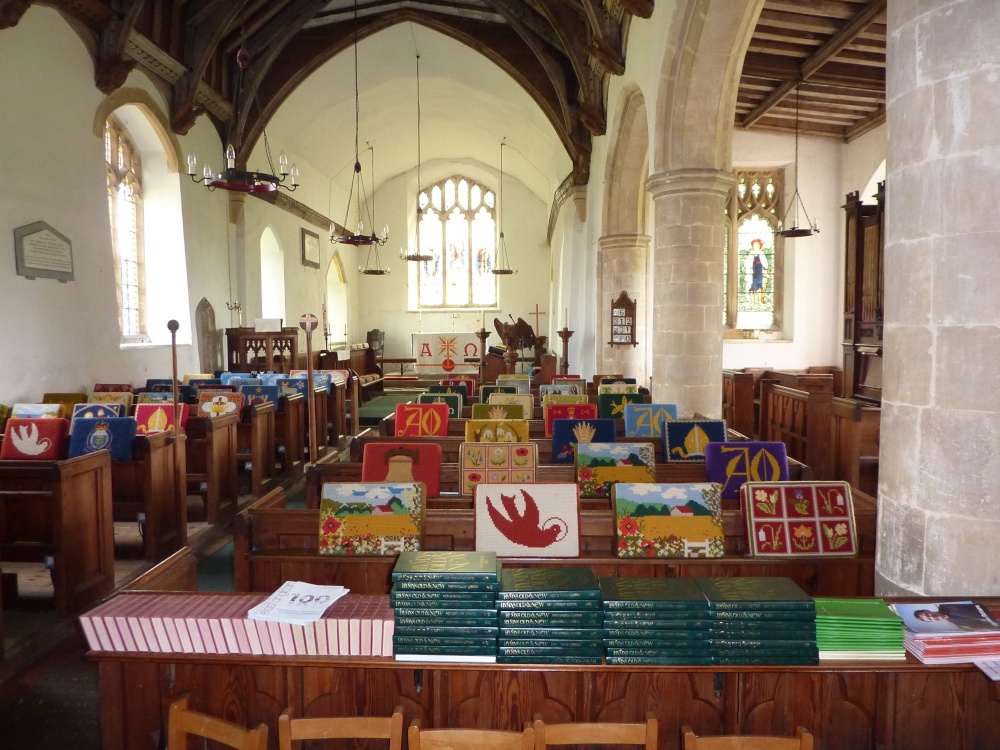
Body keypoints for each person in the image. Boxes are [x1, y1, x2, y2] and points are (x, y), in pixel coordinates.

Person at [912, 602, 1000, 631]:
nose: (932, 617)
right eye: (929, 619)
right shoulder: (956, 624)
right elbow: (982, 626)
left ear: (928, 610)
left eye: (928, 615)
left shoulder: (947, 605)